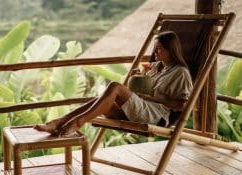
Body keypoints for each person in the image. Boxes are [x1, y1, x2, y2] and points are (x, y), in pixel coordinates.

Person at [34, 31, 193, 136]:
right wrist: (136, 78)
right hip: (138, 109)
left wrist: (153, 99)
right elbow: (142, 89)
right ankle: (57, 122)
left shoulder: (180, 73)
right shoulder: (156, 67)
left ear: (171, 50)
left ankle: (76, 123)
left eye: (159, 49)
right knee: (99, 101)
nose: (155, 53)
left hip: (155, 115)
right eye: (155, 49)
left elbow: (182, 106)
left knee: (115, 87)